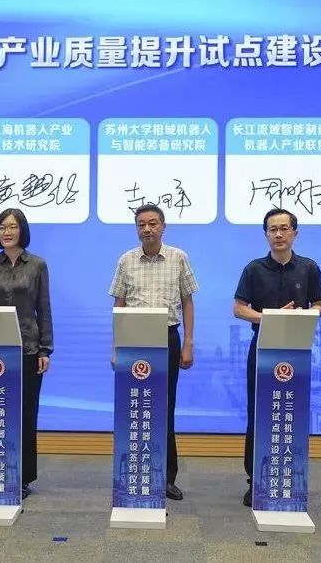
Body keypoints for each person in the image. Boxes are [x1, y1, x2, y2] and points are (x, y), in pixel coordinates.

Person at [233, 208, 321, 506]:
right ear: (266, 234)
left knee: (291, 412)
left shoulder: (309, 268)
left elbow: (320, 306)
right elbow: (239, 309)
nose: (279, 234)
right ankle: (256, 480)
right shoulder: (254, 269)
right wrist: (270, 317)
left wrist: (304, 315)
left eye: (284, 228)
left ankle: (290, 476)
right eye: (273, 229)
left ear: (295, 233)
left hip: (296, 350)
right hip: (262, 348)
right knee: (259, 413)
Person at [109, 204, 198, 501]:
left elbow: (187, 301)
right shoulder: (125, 260)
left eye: (153, 223)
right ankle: (133, 473)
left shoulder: (178, 257)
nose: (147, 229)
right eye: (141, 224)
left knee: (164, 407)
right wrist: (116, 347)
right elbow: (119, 305)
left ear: (163, 226)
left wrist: (188, 342)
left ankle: (166, 478)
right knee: (134, 408)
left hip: (167, 337)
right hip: (133, 341)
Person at [0, 208, 53, 500]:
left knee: (25, 414)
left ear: (22, 230)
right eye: (1, 227)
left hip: (28, 348)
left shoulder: (37, 265)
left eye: (12, 227)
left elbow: (43, 308)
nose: (6, 232)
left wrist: (46, 348)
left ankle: (22, 476)